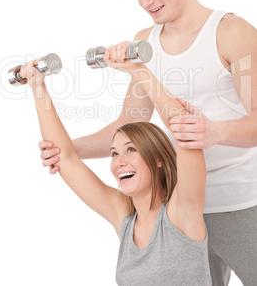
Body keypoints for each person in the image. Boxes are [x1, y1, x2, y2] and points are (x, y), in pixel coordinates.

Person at [40, 0, 257, 285]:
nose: (145, 2)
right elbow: (131, 123)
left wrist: (213, 132)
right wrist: (68, 151)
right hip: (177, 205)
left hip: (238, 202)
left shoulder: (231, 31)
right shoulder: (145, 42)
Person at [20, 59, 212, 285]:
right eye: (114, 153)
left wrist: (137, 70)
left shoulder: (182, 213)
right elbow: (66, 157)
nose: (119, 162)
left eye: (131, 149)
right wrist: (38, 87)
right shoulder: (125, 217)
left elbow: (185, 130)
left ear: (158, 158)